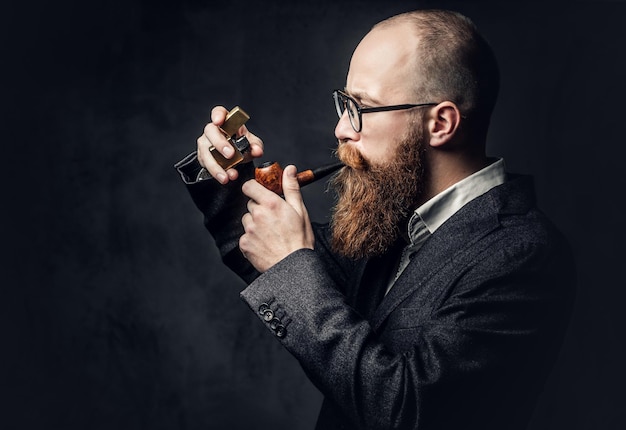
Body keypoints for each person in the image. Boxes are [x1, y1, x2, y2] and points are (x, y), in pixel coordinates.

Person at [175, 9, 575, 430]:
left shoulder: (523, 255)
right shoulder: (390, 219)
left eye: (360, 107)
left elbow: (407, 411)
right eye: (343, 103)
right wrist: (224, 172)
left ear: (440, 123)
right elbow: (260, 246)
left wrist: (291, 264)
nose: (341, 130)